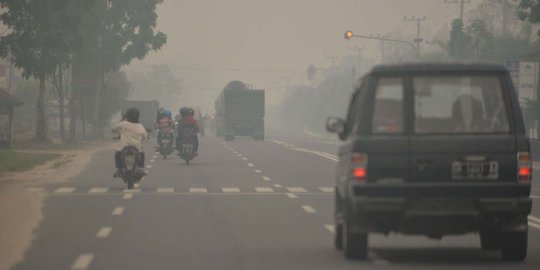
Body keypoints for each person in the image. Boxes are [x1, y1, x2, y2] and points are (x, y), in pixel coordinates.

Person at [112, 108, 148, 177]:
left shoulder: (123, 124)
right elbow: (145, 136)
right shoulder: (140, 126)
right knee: (142, 154)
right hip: (136, 147)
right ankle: (140, 168)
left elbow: (114, 129)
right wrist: (146, 139)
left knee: (117, 155)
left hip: (123, 147)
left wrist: (115, 131)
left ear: (127, 116)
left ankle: (119, 169)